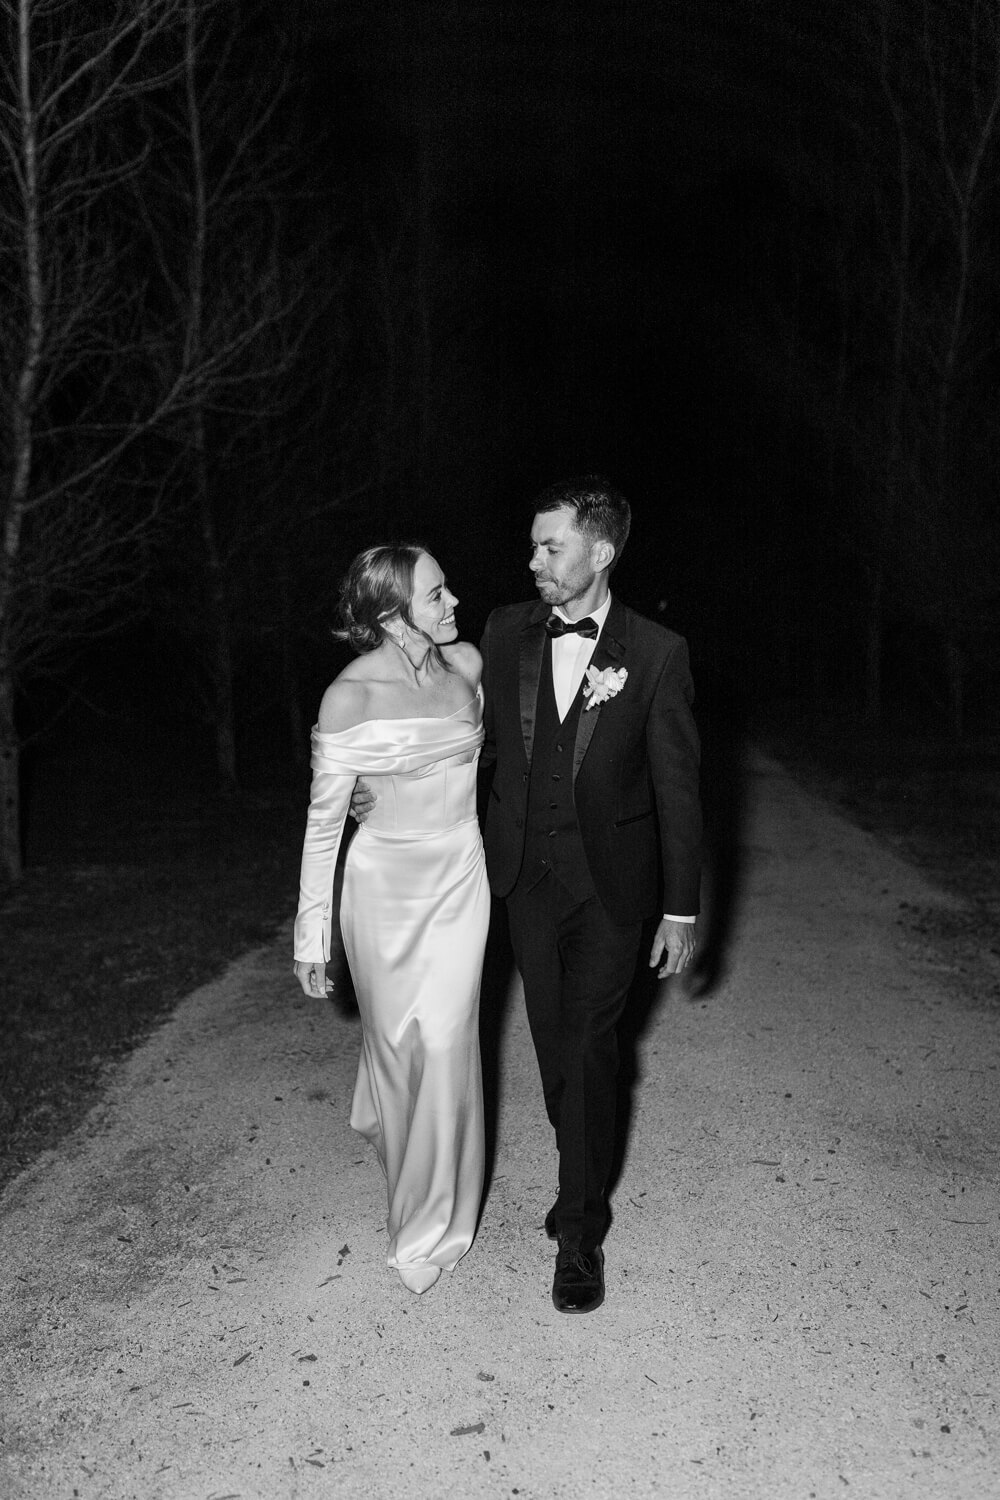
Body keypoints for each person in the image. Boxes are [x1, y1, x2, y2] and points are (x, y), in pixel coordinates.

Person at [478, 475, 702, 1314]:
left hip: (611, 888)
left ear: (601, 552)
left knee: (589, 1044)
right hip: (523, 880)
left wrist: (680, 907)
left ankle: (580, 1233)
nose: (534, 560)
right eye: (533, 545)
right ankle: (581, 1163)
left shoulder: (657, 652)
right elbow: (476, 744)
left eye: (552, 546)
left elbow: (679, 787)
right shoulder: (504, 631)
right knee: (553, 1048)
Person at [293, 544, 489, 1296]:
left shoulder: (466, 666)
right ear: (390, 613)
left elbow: (485, 761)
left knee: (443, 1040)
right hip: (381, 885)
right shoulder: (349, 698)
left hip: (460, 874)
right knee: (396, 1040)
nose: (453, 602)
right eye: (436, 595)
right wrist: (311, 936)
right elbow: (324, 826)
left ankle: (426, 1226)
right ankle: (384, 1110)